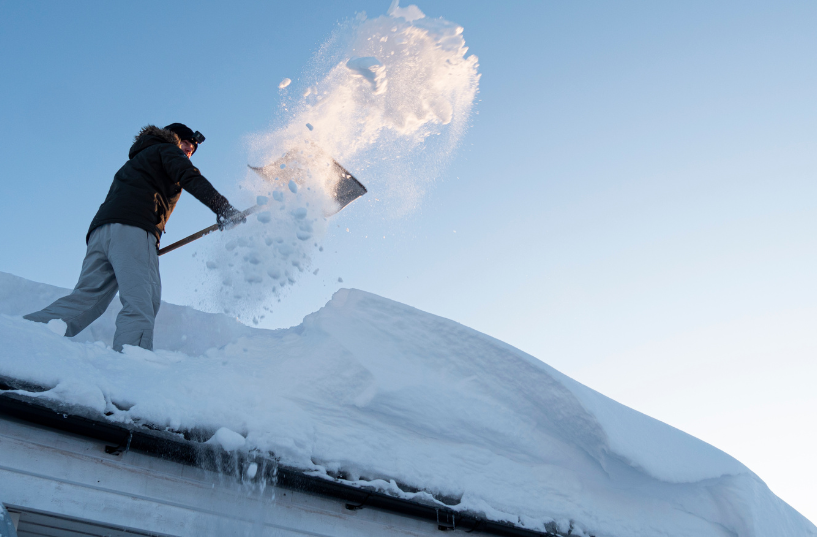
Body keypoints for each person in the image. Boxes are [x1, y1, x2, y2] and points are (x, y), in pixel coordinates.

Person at [24, 123, 244, 352]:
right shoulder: (167, 150)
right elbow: (189, 177)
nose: (188, 151)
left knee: (86, 301)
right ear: (174, 138)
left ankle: (21, 336)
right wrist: (223, 208)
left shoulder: (136, 161)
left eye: (192, 150)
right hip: (133, 229)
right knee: (142, 301)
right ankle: (132, 365)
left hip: (102, 232)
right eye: (187, 144)